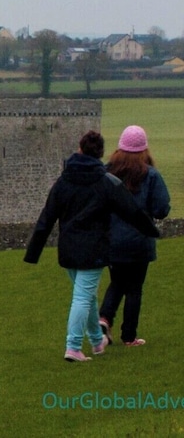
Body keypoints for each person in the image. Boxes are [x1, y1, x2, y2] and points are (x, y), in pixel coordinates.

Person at [24, 130, 160, 362]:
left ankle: (97, 341)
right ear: (100, 153)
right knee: (82, 297)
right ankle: (73, 346)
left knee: (87, 296)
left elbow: (46, 218)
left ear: (80, 149)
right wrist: (152, 231)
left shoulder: (63, 181)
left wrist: (33, 252)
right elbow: (131, 211)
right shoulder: (107, 182)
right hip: (94, 250)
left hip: (67, 249)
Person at [99, 125, 171, 347]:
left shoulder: (106, 173)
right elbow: (161, 208)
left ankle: (104, 319)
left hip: (112, 240)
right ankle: (129, 336)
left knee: (117, 282)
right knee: (134, 289)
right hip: (139, 240)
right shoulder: (150, 175)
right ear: (144, 149)